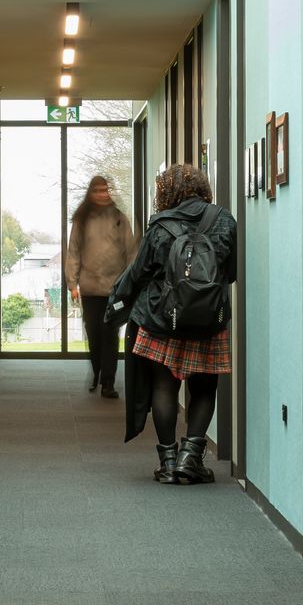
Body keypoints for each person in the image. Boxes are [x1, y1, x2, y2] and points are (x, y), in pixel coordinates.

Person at [106, 163, 237, 485]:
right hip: (208, 319)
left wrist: (117, 304)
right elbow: (230, 273)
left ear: (165, 192)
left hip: (162, 318)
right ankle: (190, 460)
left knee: (164, 386)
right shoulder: (224, 219)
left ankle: (167, 461)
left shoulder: (160, 226)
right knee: (205, 387)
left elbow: (138, 273)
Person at [65, 174, 136, 399]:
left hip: (114, 290)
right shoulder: (81, 220)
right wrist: (72, 283)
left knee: (110, 333)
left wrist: (130, 283)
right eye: (98, 191)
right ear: (91, 193)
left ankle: (108, 383)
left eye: (105, 190)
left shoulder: (119, 219)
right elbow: (73, 251)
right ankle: (97, 371)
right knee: (93, 334)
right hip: (89, 287)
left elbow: (131, 252)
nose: (103, 195)